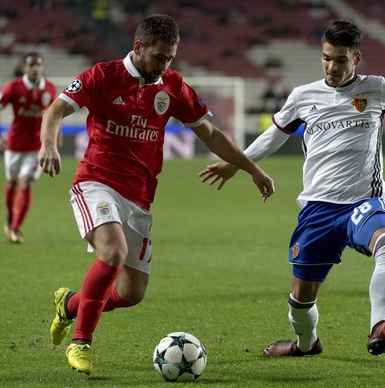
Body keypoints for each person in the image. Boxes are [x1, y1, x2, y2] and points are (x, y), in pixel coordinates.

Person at [199, 19, 385, 358]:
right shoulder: (303, 96)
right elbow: (273, 136)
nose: (331, 66)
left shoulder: (377, 89)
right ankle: (305, 344)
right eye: (326, 57)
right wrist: (234, 164)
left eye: (340, 60)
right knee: (300, 301)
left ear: (356, 59)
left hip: (363, 201)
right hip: (316, 208)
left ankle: (379, 327)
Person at [38, 14, 275, 375]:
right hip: (96, 182)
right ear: (138, 47)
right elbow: (55, 110)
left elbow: (210, 134)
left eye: (170, 58)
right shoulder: (102, 76)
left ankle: (70, 306)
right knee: (112, 253)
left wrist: (252, 168)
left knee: (132, 293)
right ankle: (81, 342)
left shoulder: (172, 87)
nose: (164, 65)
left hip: (140, 197)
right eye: (159, 57)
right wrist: (49, 145)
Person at [0, 52, 57, 243]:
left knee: (26, 181)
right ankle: (10, 218)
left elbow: (55, 115)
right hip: (14, 145)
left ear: (42, 67)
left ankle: (16, 228)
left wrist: (54, 138)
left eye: (38, 65)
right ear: (24, 68)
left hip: (37, 146)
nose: (35, 68)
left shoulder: (50, 89)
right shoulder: (13, 87)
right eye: (31, 65)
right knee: (11, 182)